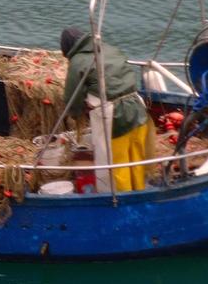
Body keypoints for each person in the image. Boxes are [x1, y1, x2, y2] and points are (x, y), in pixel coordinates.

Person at [60, 27, 153, 192]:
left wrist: (75, 114)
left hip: (114, 116)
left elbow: (72, 98)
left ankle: (122, 204)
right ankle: (140, 192)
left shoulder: (77, 61)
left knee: (117, 167)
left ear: (68, 49)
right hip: (138, 108)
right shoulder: (110, 48)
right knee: (136, 160)